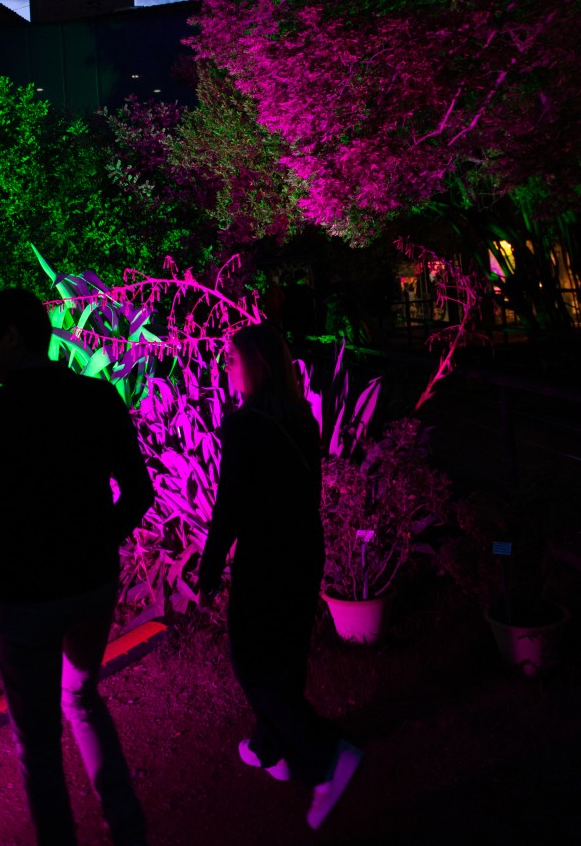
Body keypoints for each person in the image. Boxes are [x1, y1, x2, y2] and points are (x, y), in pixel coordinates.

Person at [0, 288, 153, 846]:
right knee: (83, 697)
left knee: (36, 742)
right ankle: (128, 829)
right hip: (91, 585)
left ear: (11, 336)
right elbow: (139, 490)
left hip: (23, 593)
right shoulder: (99, 397)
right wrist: (96, 541)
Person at [198, 323, 362, 830]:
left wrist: (209, 568)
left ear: (257, 365)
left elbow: (229, 506)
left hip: (266, 554)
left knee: (251, 661)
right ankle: (271, 746)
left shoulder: (246, 425)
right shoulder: (303, 420)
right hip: (302, 547)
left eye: (232, 359)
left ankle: (325, 755)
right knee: (285, 652)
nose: (225, 367)